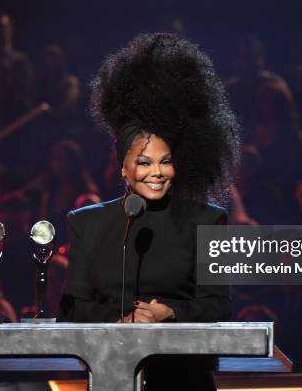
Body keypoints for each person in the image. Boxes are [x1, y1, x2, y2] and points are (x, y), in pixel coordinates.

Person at [60, 33, 240, 391]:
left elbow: (217, 305)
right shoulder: (87, 223)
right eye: (143, 162)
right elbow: (72, 306)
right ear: (122, 168)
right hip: (110, 375)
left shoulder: (206, 221)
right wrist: (124, 318)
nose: (156, 172)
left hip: (184, 379)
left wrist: (169, 313)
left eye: (166, 161)